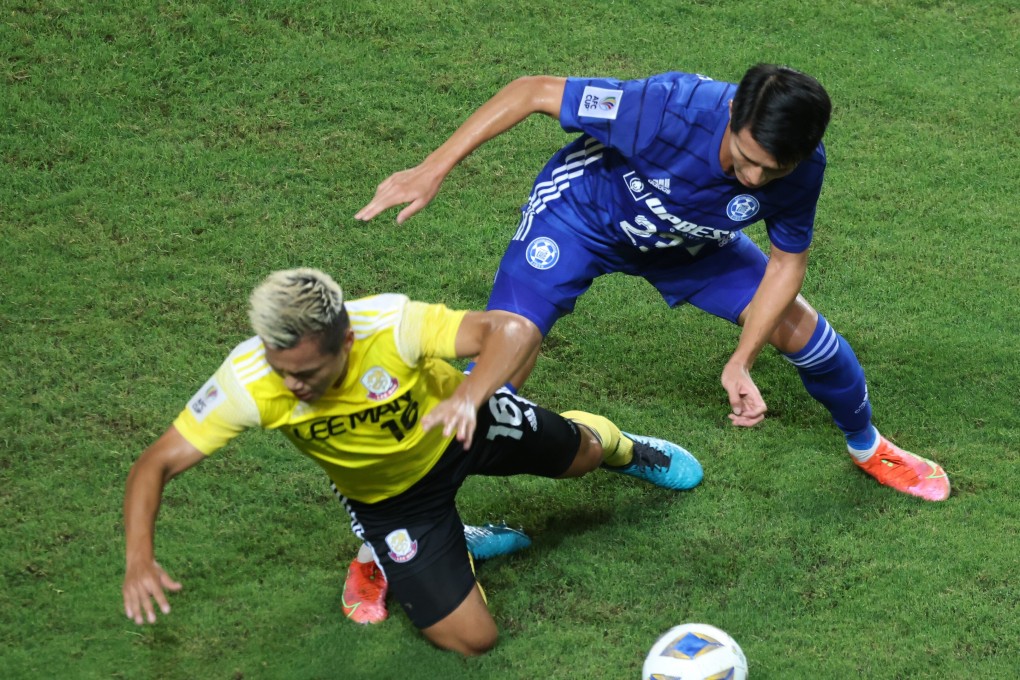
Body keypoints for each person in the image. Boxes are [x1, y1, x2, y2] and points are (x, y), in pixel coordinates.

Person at [355, 64, 951, 503]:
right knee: (498, 364)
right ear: (732, 116)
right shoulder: (668, 107)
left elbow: (786, 263)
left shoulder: (801, 171)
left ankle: (868, 446)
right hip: (583, 218)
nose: (753, 180)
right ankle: (403, 525)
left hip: (689, 243)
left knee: (808, 334)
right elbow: (533, 91)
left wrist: (742, 360)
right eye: (745, 159)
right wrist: (432, 168)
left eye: (772, 171)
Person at [122, 268, 703, 656]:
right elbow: (155, 465)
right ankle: (438, 542)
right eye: (281, 370)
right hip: (395, 500)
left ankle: (623, 445)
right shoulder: (248, 384)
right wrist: (140, 559)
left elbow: (512, 330)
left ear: (345, 343)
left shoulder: (388, 325)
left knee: (585, 455)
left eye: (305, 373)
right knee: (472, 640)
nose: (291, 384)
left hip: (467, 427)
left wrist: (472, 397)